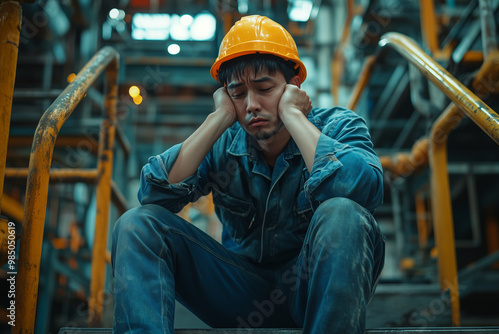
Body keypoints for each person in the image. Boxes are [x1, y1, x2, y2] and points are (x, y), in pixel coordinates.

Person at [112, 15, 385, 334]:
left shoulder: (338, 126)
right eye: (238, 93)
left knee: (343, 213)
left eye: (264, 88)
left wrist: (292, 115)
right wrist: (220, 118)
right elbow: (155, 192)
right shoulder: (224, 142)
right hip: (240, 294)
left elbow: (361, 190)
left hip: (312, 289)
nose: (252, 104)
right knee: (136, 224)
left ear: (294, 85)